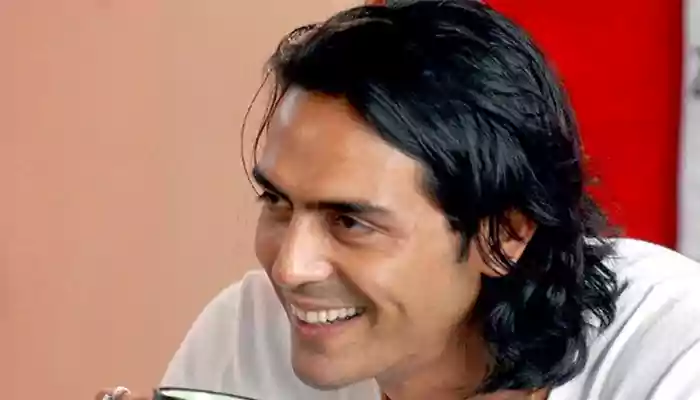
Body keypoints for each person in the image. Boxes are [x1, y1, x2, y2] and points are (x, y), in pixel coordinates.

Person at [97, 1, 700, 399]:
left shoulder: (672, 348)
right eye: (277, 201)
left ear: (505, 232)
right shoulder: (249, 336)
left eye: (349, 220)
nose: (289, 268)